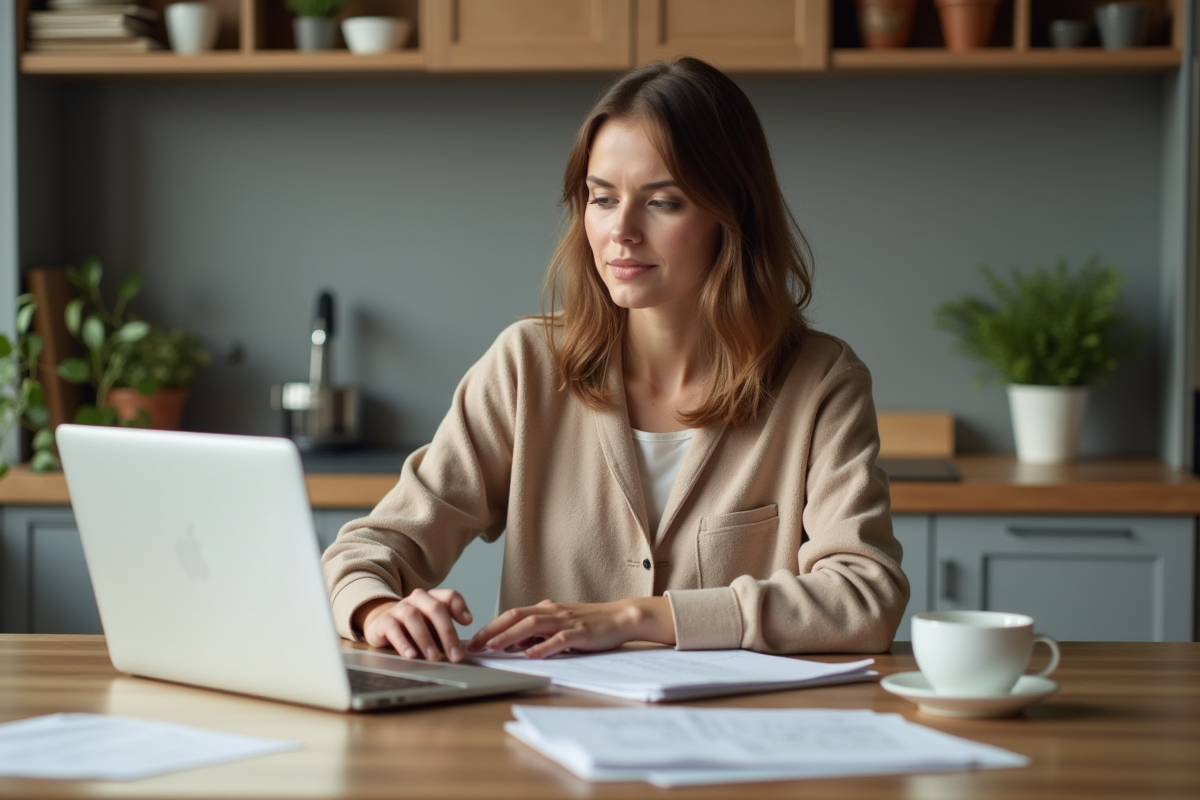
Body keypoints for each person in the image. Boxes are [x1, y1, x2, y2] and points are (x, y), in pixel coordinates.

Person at [322, 57, 909, 664]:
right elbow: (366, 552)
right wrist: (378, 608)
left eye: (663, 202)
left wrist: (635, 617)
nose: (621, 231)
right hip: (545, 717)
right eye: (602, 198)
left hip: (739, 721)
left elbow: (865, 597)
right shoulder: (525, 367)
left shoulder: (820, 382)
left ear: (732, 214)